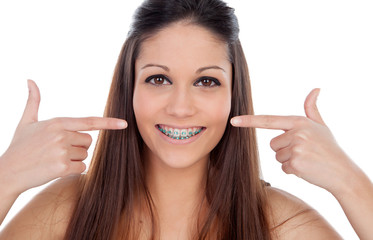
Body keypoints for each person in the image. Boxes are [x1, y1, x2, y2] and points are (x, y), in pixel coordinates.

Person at [0, 0, 372, 239]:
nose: (180, 107)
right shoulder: (67, 211)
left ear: (233, 95)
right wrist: (8, 175)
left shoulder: (279, 225)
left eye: (206, 81)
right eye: (158, 79)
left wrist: (349, 181)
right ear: (129, 90)